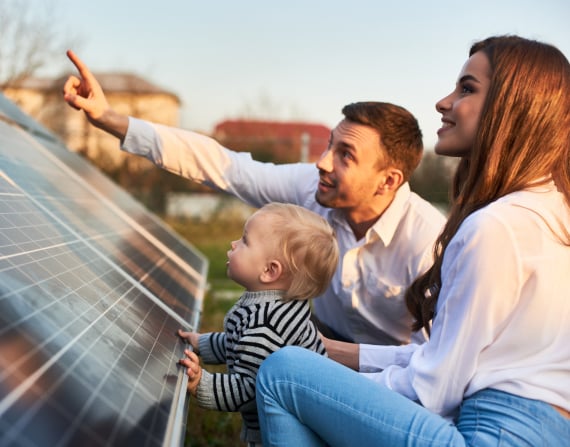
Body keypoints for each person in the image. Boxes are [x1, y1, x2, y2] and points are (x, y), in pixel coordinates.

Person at [254, 35, 570, 446]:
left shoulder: (495, 228)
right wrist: (327, 352)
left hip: (491, 435)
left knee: (283, 373)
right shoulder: (553, 212)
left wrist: (326, 388)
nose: (443, 102)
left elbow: (434, 389)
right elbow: (446, 355)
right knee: (303, 365)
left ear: (513, 109)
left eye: (467, 88)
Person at [62, 51, 446, 346]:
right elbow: (224, 166)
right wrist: (110, 119)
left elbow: (433, 364)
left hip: (393, 377)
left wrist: (327, 356)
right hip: (321, 340)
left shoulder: (429, 242)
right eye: (330, 145)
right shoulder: (312, 188)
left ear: (387, 180)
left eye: (346, 155)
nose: (323, 162)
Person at [177, 202, 338, 446]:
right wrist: (202, 343)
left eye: (244, 241)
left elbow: (249, 390)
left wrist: (202, 384)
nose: (233, 244)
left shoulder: (266, 326)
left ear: (269, 271)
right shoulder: (272, 305)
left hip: (284, 431)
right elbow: (238, 342)